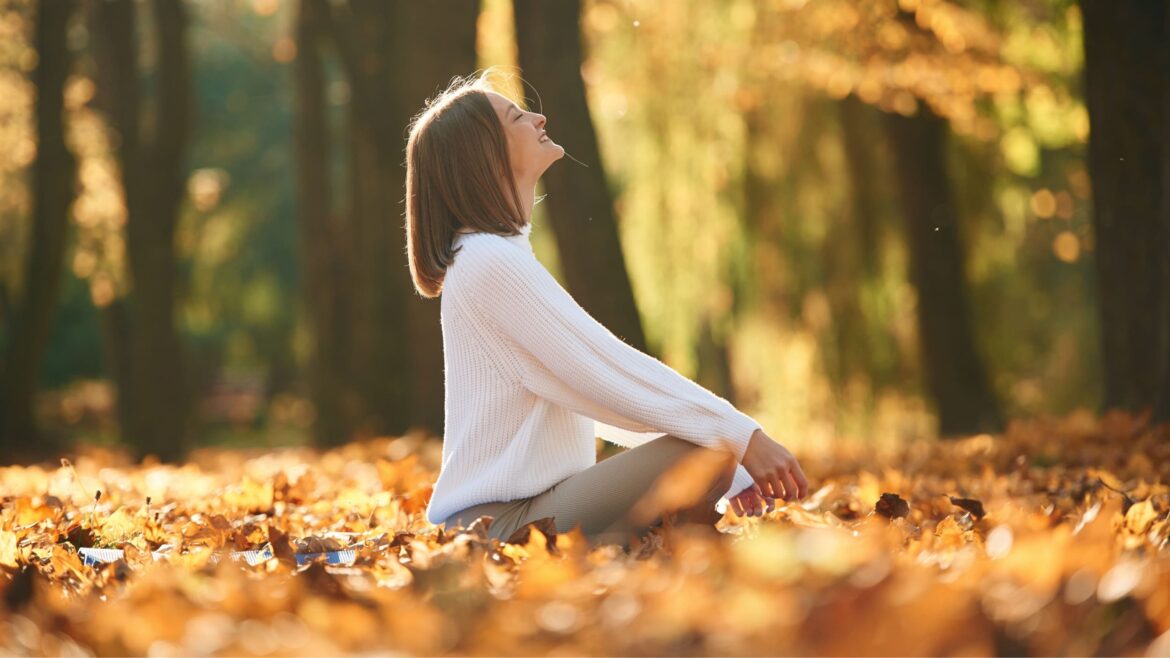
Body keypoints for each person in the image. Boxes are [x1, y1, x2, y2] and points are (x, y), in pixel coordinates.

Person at [403, 70, 809, 550]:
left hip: (524, 514)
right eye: (517, 117)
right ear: (483, 155)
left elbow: (594, 392)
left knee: (709, 453)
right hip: (498, 528)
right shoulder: (488, 261)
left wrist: (733, 456)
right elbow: (610, 371)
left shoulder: (492, 255)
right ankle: (685, 564)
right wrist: (741, 437)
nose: (538, 118)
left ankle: (672, 559)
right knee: (707, 453)